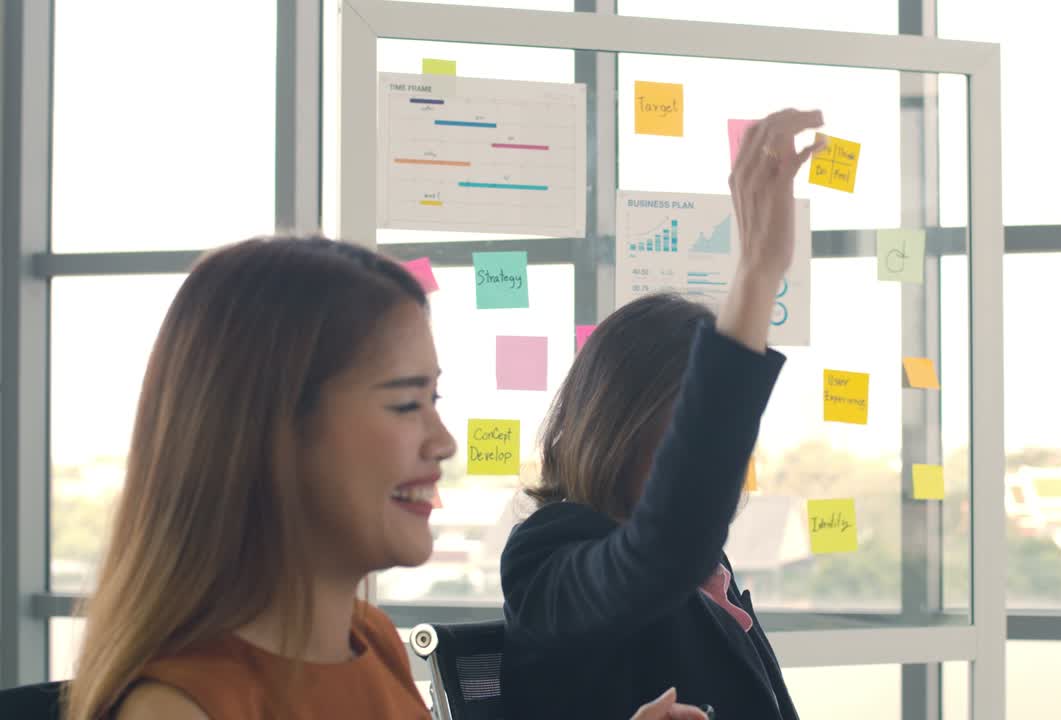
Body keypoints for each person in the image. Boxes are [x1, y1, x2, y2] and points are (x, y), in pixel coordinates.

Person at [63, 237, 709, 720]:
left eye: (436, 400)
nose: (443, 441)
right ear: (270, 432)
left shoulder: (370, 642)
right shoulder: (180, 709)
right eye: (406, 404)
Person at [500, 108, 825, 720]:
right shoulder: (546, 556)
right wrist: (757, 274)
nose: (718, 455)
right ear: (618, 428)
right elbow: (660, 551)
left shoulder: (710, 572)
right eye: (689, 428)